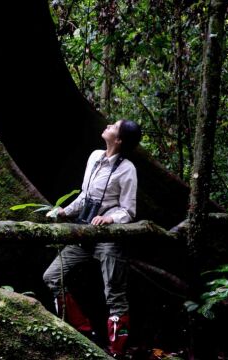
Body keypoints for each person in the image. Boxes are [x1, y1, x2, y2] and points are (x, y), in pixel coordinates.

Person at [42, 119, 142, 357]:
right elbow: (86, 196)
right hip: (84, 233)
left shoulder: (128, 169)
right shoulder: (94, 157)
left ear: (118, 140)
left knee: (115, 295)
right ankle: (83, 331)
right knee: (52, 277)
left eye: (114, 126)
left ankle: (116, 352)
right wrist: (64, 211)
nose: (108, 125)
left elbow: (128, 211)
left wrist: (110, 219)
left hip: (108, 239)